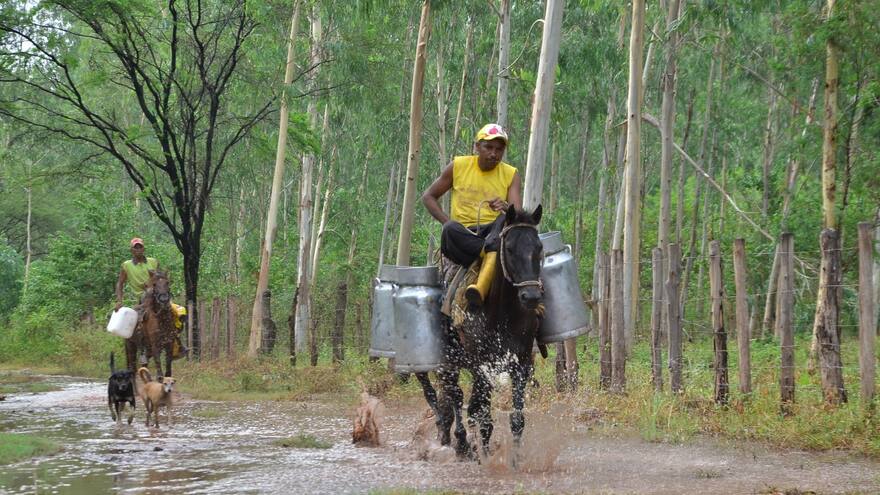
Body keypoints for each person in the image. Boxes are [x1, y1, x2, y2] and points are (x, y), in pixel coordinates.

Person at [421, 123, 522, 305]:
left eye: (499, 149)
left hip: (494, 232)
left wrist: (506, 207)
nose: (493, 154)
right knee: (450, 229)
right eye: (488, 147)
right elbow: (428, 196)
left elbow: (518, 214)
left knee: (503, 223)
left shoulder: (511, 174)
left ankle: (487, 266)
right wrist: (447, 222)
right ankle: (490, 252)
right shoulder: (458, 166)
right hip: (463, 236)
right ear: (477, 147)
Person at [115, 237, 159, 312]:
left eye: (140, 247)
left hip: (156, 295)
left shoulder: (153, 262)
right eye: (136, 248)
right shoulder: (126, 265)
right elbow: (120, 283)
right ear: (131, 250)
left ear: (143, 249)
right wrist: (119, 300)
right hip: (139, 299)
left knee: (175, 312)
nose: (138, 249)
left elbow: (161, 280)